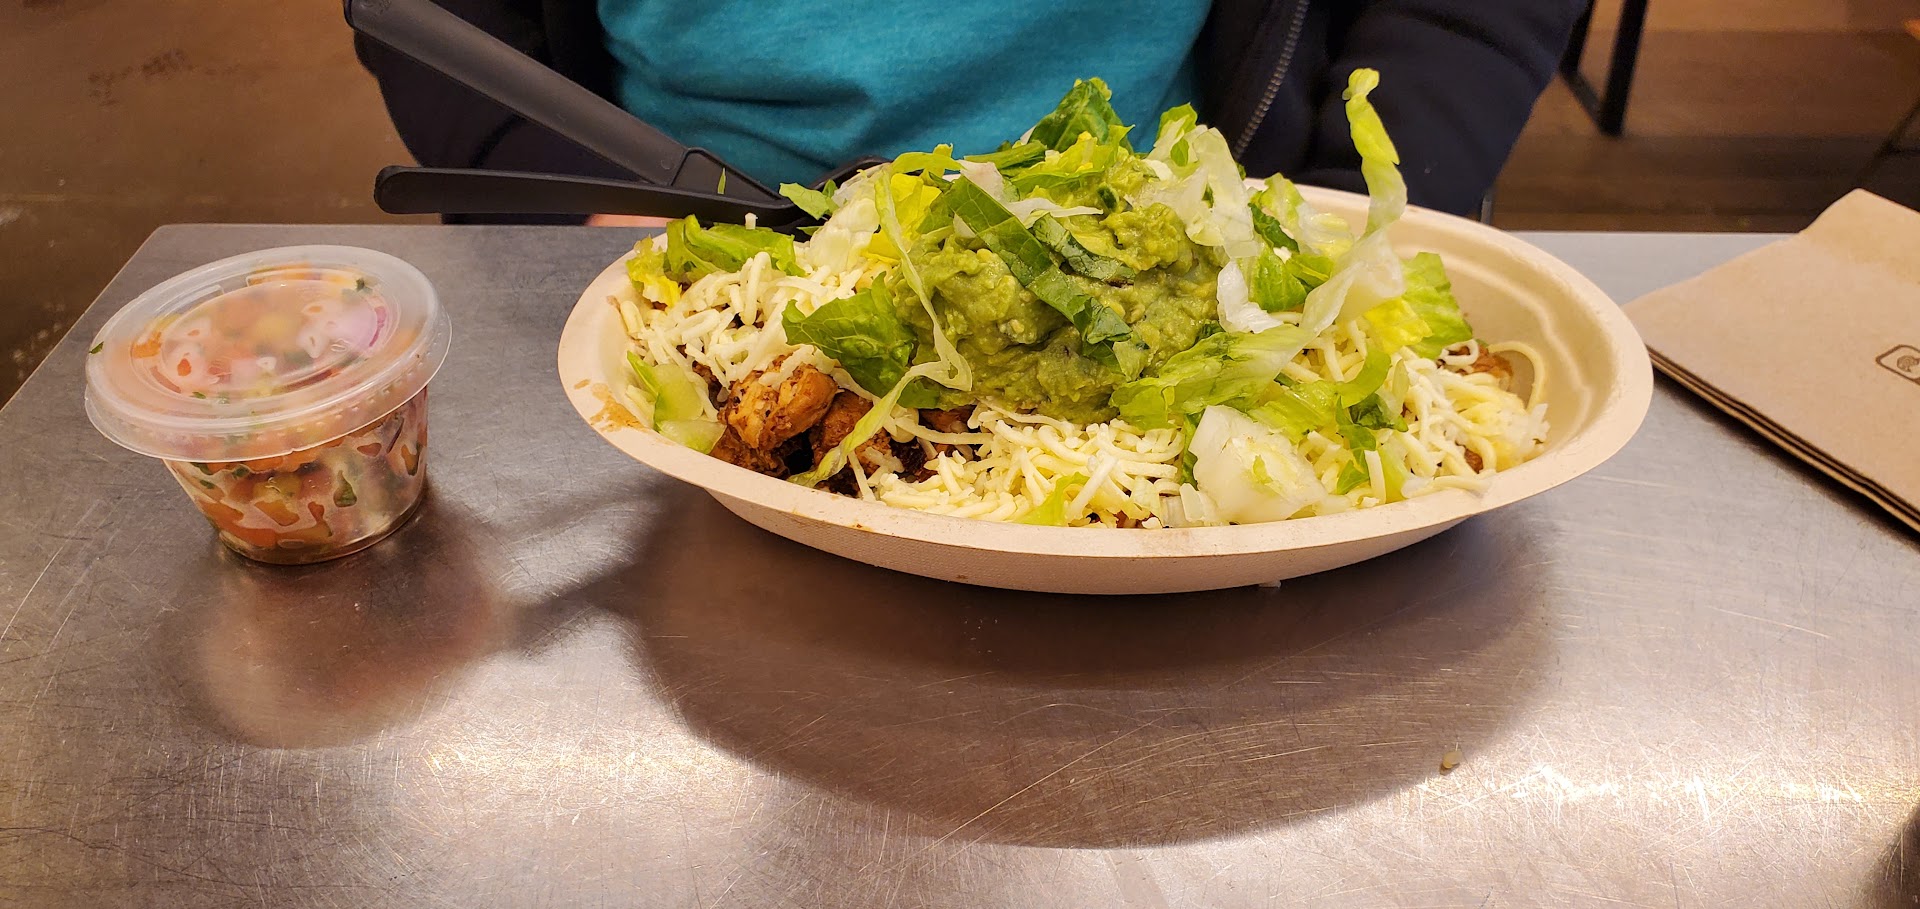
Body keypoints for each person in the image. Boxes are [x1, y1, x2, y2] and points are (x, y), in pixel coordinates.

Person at [356, 0, 1584, 223]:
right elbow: (439, 17)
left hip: (1191, 224)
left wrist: (1343, 220)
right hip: (674, 225)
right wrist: (567, 205)